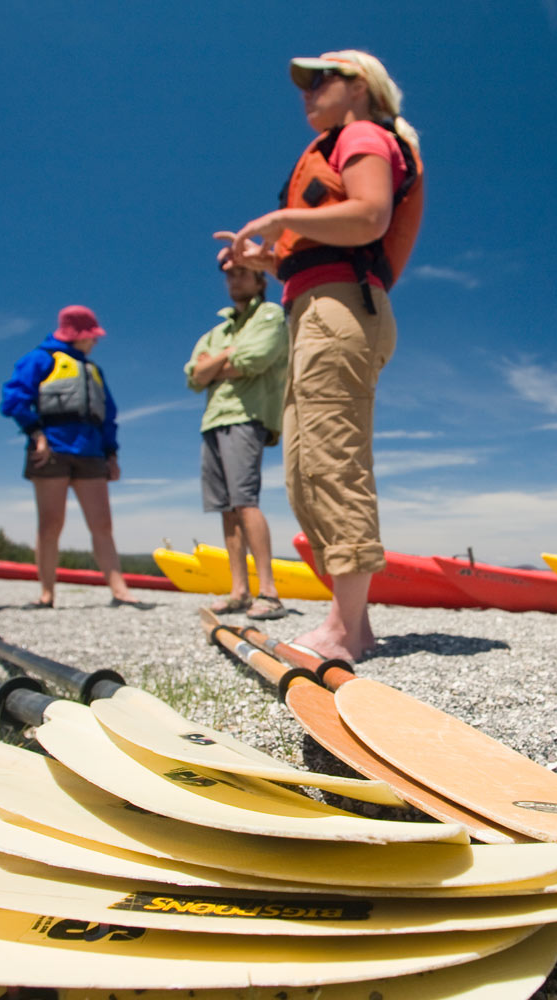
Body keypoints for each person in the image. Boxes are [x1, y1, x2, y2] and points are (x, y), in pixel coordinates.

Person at [214, 50, 423, 662]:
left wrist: (281, 217)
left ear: (360, 86)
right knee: (305, 467)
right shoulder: (340, 139)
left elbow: (369, 216)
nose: (305, 90)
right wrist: (267, 260)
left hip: (341, 309)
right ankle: (350, 619)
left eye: (319, 79)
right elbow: (323, 248)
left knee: (333, 459)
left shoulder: (362, 135)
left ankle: (346, 630)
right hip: (314, 307)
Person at [0, 305, 152, 610]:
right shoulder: (39, 359)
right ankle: (46, 594)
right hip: (51, 449)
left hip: (91, 451)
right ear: (77, 334)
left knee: (102, 524)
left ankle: (121, 591)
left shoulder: (93, 370)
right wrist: (36, 433)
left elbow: (108, 415)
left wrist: (111, 453)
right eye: (92, 335)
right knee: (50, 524)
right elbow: (14, 400)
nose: (95, 341)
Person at [184, 261, 291, 620]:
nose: (234, 279)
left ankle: (269, 592)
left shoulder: (270, 315)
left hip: (247, 416)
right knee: (226, 507)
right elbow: (194, 376)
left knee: (245, 500)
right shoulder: (218, 332)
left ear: (260, 279)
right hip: (213, 419)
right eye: (229, 274)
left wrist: (215, 365)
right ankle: (239, 591)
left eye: (242, 272)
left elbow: (255, 359)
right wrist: (227, 355)